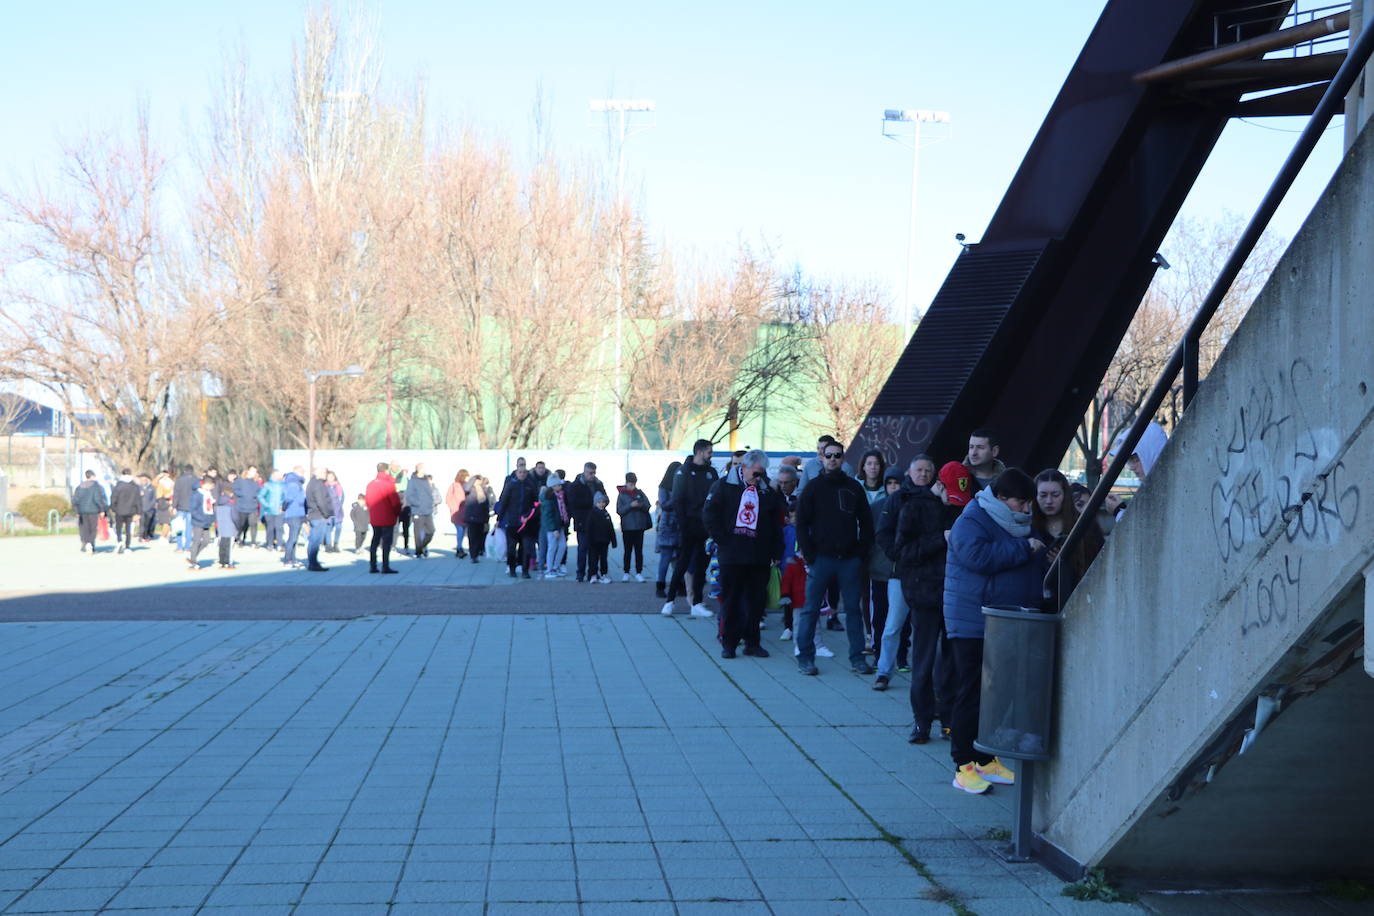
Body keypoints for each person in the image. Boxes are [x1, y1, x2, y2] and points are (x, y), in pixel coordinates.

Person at [944, 468, 1045, 794]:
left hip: (1002, 620)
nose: (1026, 510)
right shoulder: (973, 519)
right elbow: (977, 556)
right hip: (973, 621)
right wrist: (1024, 549)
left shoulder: (1012, 522)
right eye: (1021, 502)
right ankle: (963, 765)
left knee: (997, 695)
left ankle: (985, 757)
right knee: (972, 692)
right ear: (1002, 498)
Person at [892, 455, 961, 743]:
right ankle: (922, 721)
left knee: (951, 662)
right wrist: (939, 539)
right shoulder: (914, 507)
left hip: (954, 595)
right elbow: (902, 551)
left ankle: (948, 719)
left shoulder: (957, 508)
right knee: (922, 661)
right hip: (923, 594)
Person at [794, 439, 874, 676]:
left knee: (852, 610)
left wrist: (860, 553)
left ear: (842, 458)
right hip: (821, 559)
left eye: (837, 455)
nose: (832, 459)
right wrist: (809, 554)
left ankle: (858, 658)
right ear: (821, 457)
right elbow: (802, 524)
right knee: (810, 610)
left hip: (849, 559)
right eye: (828, 455)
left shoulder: (853, 487)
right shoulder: (813, 488)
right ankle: (805, 657)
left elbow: (867, 523)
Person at [703, 448, 783, 659]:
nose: (759, 477)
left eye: (762, 473)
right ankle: (729, 643)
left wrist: (776, 550)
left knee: (756, 602)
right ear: (744, 467)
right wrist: (723, 540)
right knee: (732, 600)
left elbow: (776, 522)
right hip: (732, 554)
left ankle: (752, 642)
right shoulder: (724, 486)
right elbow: (709, 514)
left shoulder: (766, 490)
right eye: (756, 472)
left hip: (759, 554)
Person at [875, 456, 939, 691]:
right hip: (901, 572)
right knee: (893, 625)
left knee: (926, 629)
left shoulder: (938, 498)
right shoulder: (897, 498)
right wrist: (897, 554)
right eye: (919, 470)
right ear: (910, 473)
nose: (923, 474)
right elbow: (883, 532)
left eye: (927, 470)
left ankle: (926, 678)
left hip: (930, 574)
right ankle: (883, 671)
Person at [661, 440, 718, 618]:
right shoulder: (683, 471)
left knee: (702, 566)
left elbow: (716, 498)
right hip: (688, 526)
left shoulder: (711, 472)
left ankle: (696, 603)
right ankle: (669, 602)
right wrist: (684, 524)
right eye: (709, 451)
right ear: (700, 452)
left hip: (706, 526)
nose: (711, 455)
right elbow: (678, 499)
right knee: (682, 564)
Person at [1033, 469, 1104, 609]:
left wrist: (1066, 562)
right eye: (1043, 495)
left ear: (1065, 495)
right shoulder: (1028, 528)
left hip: (1079, 604)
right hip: (1037, 605)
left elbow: (1098, 565)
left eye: (1055, 495)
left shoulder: (1084, 526)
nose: (1049, 501)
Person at [865, 467, 902, 679]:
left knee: (898, 620)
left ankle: (900, 655)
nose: (893, 487)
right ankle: (878, 654)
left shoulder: (908, 506)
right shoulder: (876, 508)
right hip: (879, 570)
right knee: (879, 615)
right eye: (889, 484)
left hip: (900, 571)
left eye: (897, 483)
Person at [566, 462, 607, 583]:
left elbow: (605, 498)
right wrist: (592, 502)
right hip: (582, 522)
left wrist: (602, 502)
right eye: (590, 473)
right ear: (584, 472)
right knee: (583, 548)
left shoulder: (598, 484)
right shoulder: (575, 485)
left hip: (597, 523)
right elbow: (573, 503)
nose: (592, 475)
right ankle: (580, 574)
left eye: (594, 473)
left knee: (594, 550)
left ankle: (593, 573)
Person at [498, 464, 539, 579]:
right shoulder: (511, 486)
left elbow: (536, 504)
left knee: (526, 547)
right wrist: (499, 519)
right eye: (520, 472)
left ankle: (525, 570)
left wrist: (531, 516)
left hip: (526, 523)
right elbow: (504, 503)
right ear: (516, 473)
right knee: (511, 548)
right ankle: (512, 568)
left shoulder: (530, 486)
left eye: (524, 472)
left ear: (526, 474)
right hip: (512, 522)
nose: (522, 474)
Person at [365, 462, 401, 574]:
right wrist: (397, 513)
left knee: (375, 541)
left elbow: (368, 501)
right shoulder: (388, 484)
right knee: (386, 542)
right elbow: (395, 502)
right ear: (386, 470)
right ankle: (385, 566)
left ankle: (373, 565)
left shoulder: (370, 484)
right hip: (387, 517)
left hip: (375, 517)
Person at [616, 472, 652, 582]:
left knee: (638, 551)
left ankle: (638, 572)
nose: (632, 486)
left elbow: (648, 505)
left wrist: (640, 505)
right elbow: (619, 510)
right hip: (627, 527)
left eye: (634, 484)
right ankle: (626, 572)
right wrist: (630, 505)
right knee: (627, 551)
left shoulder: (640, 493)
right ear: (626, 483)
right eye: (630, 484)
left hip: (639, 526)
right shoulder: (622, 494)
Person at [653, 461, 682, 598]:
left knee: (678, 559)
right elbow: (664, 505)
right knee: (666, 557)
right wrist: (676, 498)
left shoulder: (682, 485)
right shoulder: (664, 487)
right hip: (668, 526)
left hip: (680, 525)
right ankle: (660, 586)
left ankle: (679, 585)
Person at [583, 492, 617, 584]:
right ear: (595, 503)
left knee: (603, 559)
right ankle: (593, 575)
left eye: (603, 502)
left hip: (604, 541)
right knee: (593, 559)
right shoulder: (592, 514)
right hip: (593, 541)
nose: (601, 504)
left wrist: (613, 541)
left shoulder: (606, 514)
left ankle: (603, 575)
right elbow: (588, 529)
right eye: (599, 502)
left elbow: (611, 528)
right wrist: (588, 540)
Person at [540, 475, 570, 578]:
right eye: (558, 485)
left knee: (562, 546)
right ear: (553, 486)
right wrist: (553, 529)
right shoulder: (549, 498)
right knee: (552, 547)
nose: (560, 486)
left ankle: (556, 566)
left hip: (560, 524)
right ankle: (549, 569)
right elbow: (548, 515)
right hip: (553, 527)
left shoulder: (559, 495)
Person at [73, 469, 108, 554]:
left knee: (84, 528)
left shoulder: (80, 486)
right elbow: (98, 499)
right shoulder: (96, 486)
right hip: (93, 510)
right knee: (93, 528)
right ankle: (90, 543)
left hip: (82, 511)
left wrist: (77, 511)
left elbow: (75, 500)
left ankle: (85, 542)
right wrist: (102, 509)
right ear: (93, 476)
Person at [186, 477, 217, 570]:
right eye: (211, 485)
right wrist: (200, 518)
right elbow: (193, 509)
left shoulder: (208, 494)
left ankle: (193, 555)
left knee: (206, 541)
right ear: (204, 485)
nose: (212, 487)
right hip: (198, 522)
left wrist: (212, 518)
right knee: (197, 540)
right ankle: (193, 560)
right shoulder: (197, 494)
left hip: (206, 522)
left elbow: (210, 508)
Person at [405, 464, 436, 559]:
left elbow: (430, 493)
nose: (426, 470)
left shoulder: (426, 480)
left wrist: (430, 503)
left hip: (428, 510)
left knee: (431, 531)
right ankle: (418, 552)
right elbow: (409, 496)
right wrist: (418, 503)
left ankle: (422, 546)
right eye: (424, 468)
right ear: (419, 470)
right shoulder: (412, 481)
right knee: (418, 532)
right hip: (418, 511)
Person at [304, 468, 331, 572]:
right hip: (318, 515)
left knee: (313, 540)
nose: (325, 474)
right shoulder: (318, 484)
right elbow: (321, 501)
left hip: (313, 514)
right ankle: (313, 563)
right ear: (318, 473)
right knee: (316, 540)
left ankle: (313, 562)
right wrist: (326, 513)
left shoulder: (311, 483)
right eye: (324, 472)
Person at [964, 428, 1007, 493]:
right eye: (971, 447)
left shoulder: (1006, 482)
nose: (973, 453)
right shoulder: (957, 476)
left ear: (994, 451)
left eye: (980, 447)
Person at [110, 469, 142, 554]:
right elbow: (138, 500)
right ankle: (127, 546)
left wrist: (114, 508)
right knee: (128, 529)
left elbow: (113, 498)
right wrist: (139, 512)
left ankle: (119, 540)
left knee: (119, 527)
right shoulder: (134, 486)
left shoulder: (118, 486)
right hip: (131, 510)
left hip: (119, 510)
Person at [280, 467, 307, 568]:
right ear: (298, 472)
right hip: (293, 514)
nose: (304, 474)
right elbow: (289, 498)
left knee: (295, 538)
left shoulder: (297, 482)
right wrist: (284, 508)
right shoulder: (293, 483)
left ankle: (293, 559)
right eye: (303, 472)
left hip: (299, 513)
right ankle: (288, 560)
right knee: (292, 538)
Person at [464, 476, 493, 562]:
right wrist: (474, 478)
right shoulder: (470, 489)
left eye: (479, 481)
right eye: (476, 481)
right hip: (471, 517)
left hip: (481, 517)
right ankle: (473, 556)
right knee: (472, 537)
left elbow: (486, 504)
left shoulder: (484, 490)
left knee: (480, 536)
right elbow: (466, 487)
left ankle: (478, 552)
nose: (478, 482)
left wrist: (487, 517)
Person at [445, 470, 470, 560]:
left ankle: (460, 547)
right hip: (457, 513)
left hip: (465, 513)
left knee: (463, 531)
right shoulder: (455, 486)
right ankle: (459, 549)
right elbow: (448, 499)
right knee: (460, 531)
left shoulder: (467, 486)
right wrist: (454, 508)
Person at [172, 463, 198, 551]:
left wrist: (174, 506)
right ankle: (187, 546)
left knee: (179, 526)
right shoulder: (196, 480)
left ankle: (179, 546)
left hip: (180, 506)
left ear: (184, 470)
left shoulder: (179, 480)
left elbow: (176, 494)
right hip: (192, 507)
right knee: (189, 528)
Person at [233, 468, 261, 548]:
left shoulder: (255, 483)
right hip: (242, 507)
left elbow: (258, 492)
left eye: (255, 472)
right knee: (242, 524)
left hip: (252, 507)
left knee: (253, 524)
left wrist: (254, 496)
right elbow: (235, 490)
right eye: (253, 471)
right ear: (248, 471)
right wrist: (243, 494)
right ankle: (239, 538)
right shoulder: (240, 481)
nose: (254, 473)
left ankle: (253, 541)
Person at [259, 470, 285, 551]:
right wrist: (267, 505)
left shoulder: (283, 485)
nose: (280, 476)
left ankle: (279, 544)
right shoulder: (267, 485)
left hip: (280, 511)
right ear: (273, 476)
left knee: (279, 528)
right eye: (278, 475)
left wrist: (283, 506)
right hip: (269, 511)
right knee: (270, 528)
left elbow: (285, 497)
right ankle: (269, 544)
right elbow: (260, 496)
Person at [214, 480, 237, 570]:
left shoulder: (218, 503)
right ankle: (228, 562)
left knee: (222, 544)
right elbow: (235, 517)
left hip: (221, 527)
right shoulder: (231, 504)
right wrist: (238, 526)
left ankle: (222, 561)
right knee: (229, 545)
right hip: (230, 527)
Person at [325, 470, 345, 553]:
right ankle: (328, 545)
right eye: (329, 477)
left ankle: (336, 544)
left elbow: (342, 498)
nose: (331, 478)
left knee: (338, 528)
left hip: (337, 511)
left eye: (332, 476)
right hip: (328, 510)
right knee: (328, 528)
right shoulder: (324, 486)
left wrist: (339, 507)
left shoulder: (338, 486)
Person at [154, 469, 174, 542]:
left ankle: (163, 536)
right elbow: (153, 484)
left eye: (166, 474)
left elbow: (172, 493)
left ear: (168, 474)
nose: (164, 475)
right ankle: (167, 534)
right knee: (162, 520)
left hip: (167, 502)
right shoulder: (160, 482)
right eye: (163, 474)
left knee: (166, 520)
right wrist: (158, 476)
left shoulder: (171, 482)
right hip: (160, 502)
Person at [137, 474, 157, 541]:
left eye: (145, 480)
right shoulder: (138, 488)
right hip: (141, 508)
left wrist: (150, 506)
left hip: (149, 509)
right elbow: (135, 498)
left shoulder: (152, 488)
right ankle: (141, 536)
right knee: (142, 523)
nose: (143, 481)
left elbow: (154, 498)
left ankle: (146, 535)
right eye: (142, 480)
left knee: (148, 523)